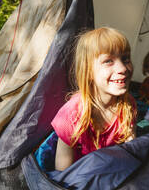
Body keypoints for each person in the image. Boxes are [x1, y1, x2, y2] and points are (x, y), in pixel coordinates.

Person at [51, 27, 137, 171]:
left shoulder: (128, 104)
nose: (122, 68)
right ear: (88, 70)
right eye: (109, 61)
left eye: (125, 58)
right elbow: (63, 173)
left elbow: (131, 153)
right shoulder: (71, 115)